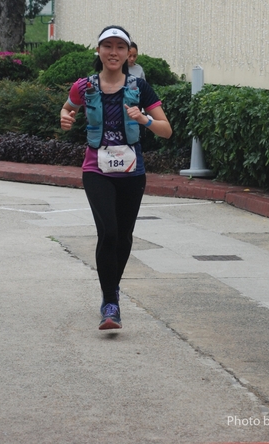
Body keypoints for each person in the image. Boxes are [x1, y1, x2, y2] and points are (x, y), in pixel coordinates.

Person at [60, 25, 172, 330]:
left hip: (131, 172)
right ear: (98, 50)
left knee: (123, 236)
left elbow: (166, 130)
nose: (113, 52)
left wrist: (144, 119)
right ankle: (110, 303)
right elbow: (67, 109)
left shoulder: (140, 88)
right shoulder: (84, 86)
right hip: (96, 169)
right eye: (107, 46)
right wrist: (65, 118)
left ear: (128, 53)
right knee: (108, 232)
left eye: (120, 47)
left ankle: (112, 289)